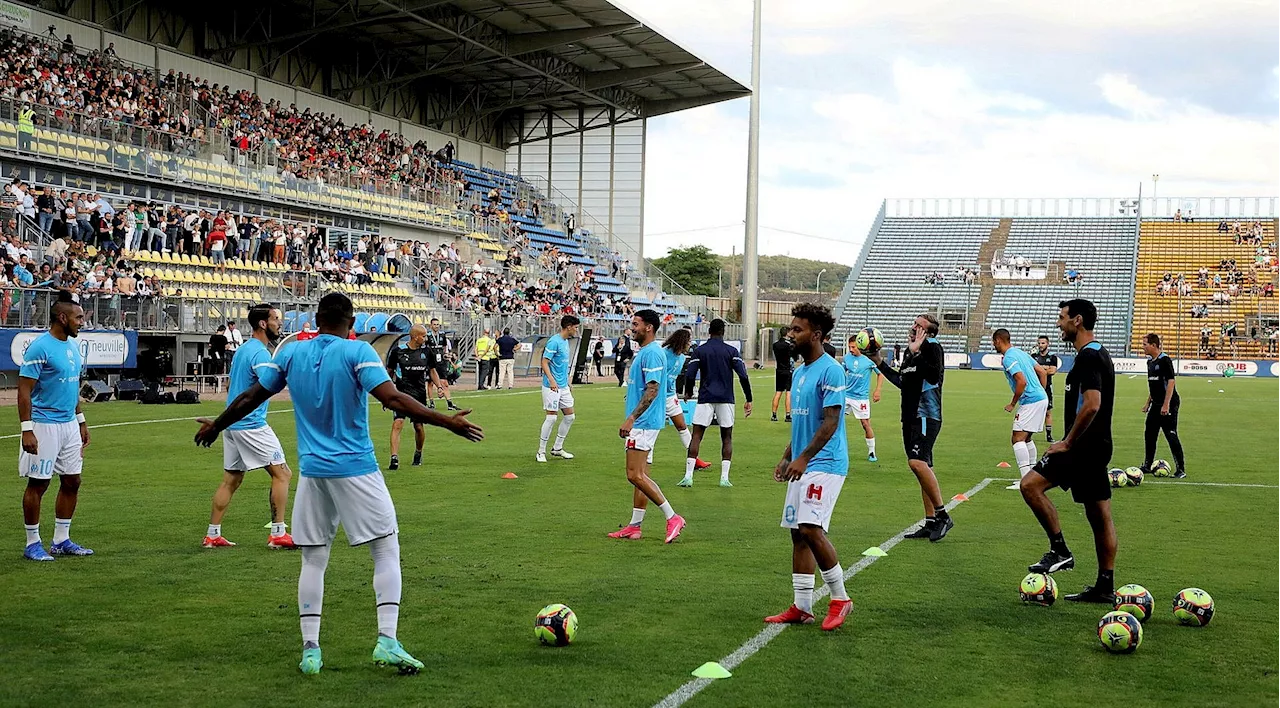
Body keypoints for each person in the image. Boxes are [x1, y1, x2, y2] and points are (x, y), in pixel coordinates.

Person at [195, 292, 484, 675]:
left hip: (314, 472)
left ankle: (311, 650)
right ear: (351, 323)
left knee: (314, 559)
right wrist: (448, 421)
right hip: (355, 467)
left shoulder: (290, 354)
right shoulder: (357, 353)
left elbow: (252, 395)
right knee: (385, 549)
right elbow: (394, 398)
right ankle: (387, 641)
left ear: (317, 319)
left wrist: (218, 424)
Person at [1021, 299, 1118, 603]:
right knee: (1099, 515)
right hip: (1097, 445)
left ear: (1077, 320)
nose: (1058, 323)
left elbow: (1092, 404)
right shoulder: (1096, 354)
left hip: (1082, 448)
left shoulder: (1089, 357)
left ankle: (1059, 550)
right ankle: (1105, 585)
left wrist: (1068, 441)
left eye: (1061, 318)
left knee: (1030, 485)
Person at [764, 303, 852, 631]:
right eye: (791, 328)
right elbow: (802, 425)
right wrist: (788, 455)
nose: (791, 334)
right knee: (797, 534)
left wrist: (803, 458)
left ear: (815, 335)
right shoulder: (800, 372)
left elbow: (831, 422)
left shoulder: (831, 369)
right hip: (803, 463)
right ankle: (802, 606)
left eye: (797, 330)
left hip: (826, 463)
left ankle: (840, 598)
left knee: (811, 529)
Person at [203, 305, 296, 549]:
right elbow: (269, 384)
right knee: (282, 474)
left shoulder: (244, 350)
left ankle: (212, 535)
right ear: (263, 324)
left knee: (231, 479)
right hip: (251, 424)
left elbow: (235, 385)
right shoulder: (261, 354)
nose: (280, 323)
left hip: (233, 426)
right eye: (276, 319)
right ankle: (278, 533)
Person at [19, 292, 93, 561]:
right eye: (78, 317)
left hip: (69, 425)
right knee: (39, 483)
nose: (82, 322)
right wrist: (27, 428)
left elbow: (71, 389)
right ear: (62, 318)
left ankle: (61, 540)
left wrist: (81, 421)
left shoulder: (72, 347)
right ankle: (32, 542)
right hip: (43, 424)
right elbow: (24, 390)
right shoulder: (41, 347)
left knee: (72, 481)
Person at [869, 313, 953, 542]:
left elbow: (935, 376)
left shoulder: (933, 347)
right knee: (922, 467)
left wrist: (917, 351)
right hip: (910, 416)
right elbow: (902, 382)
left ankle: (943, 515)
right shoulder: (910, 350)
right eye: (914, 323)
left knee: (917, 463)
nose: (914, 327)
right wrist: (879, 363)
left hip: (926, 415)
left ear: (929, 333)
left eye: (920, 326)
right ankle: (930, 521)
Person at [607, 309, 685, 543]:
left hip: (643, 423)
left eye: (636, 324)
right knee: (642, 475)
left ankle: (673, 517)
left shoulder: (652, 353)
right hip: (646, 422)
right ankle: (635, 526)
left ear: (648, 327)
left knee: (634, 474)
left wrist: (631, 418)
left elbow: (653, 389)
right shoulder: (647, 352)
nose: (632, 328)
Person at [680, 318, 753, 487]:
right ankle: (724, 478)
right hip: (726, 398)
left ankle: (689, 476)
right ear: (723, 332)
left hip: (706, 396)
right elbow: (743, 375)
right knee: (726, 437)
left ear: (709, 331)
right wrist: (748, 398)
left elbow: (690, 374)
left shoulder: (700, 351)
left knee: (697, 435)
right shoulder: (731, 351)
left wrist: (689, 392)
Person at [992, 329, 1049, 490]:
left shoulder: (1009, 357)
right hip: (1040, 398)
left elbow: (1021, 382)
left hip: (1031, 400)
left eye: (993, 341)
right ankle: (1032, 476)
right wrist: (1041, 393)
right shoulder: (1021, 353)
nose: (993, 345)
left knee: (1017, 438)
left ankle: (1026, 480)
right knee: (1027, 438)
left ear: (998, 340)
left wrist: (1012, 403)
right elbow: (1043, 372)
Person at [655, 328, 708, 470]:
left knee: (682, 427)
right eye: (689, 341)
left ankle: (695, 460)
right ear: (682, 341)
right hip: (657, 398)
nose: (690, 344)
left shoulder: (682, 358)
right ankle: (644, 458)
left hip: (670, 397)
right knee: (653, 430)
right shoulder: (663, 354)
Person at [385, 325, 432, 470]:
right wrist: (386, 393)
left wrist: (440, 386)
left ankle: (418, 452)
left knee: (418, 426)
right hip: (400, 394)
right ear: (415, 336)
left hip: (419, 395)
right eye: (423, 336)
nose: (425, 338)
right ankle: (394, 458)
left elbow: (433, 371)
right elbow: (389, 371)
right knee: (397, 423)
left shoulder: (426, 352)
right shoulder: (397, 352)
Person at [1140, 333, 1186, 478]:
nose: (1143, 347)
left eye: (1145, 344)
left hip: (1169, 403)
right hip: (1156, 403)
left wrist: (1166, 405)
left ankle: (1181, 469)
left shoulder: (1165, 360)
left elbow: (1171, 382)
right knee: (1150, 433)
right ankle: (1147, 464)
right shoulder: (1150, 362)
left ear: (1153, 345)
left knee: (1170, 434)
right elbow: (1153, 385)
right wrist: (1148, 403)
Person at [537, 315, 580, 463]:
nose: (576, 330)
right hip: (552, 386)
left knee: (570, 416)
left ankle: (557, 448)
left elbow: (563, 365)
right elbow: (544, 362)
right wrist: (551, 380)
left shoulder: (565, 342)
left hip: (563, 386)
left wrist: (567, 381)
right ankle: (541, 451)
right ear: (568, 327)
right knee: (551, 417)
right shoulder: (554, 341)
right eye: (575, 327)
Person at [842, 334, 882, 462]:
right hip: (846, 395)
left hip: (860, 398)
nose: (851, 349)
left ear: (859, 346)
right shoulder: (847, 358)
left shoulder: (869, 359)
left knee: (865, 424)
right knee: (832, 420)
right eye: (849, 347)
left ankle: (871, 452)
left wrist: (877, 390)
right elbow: (842, 374)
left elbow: (880, 374)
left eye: (853, 347)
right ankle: (831, 449)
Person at [423, 318, 458, 410]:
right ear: (431, 325)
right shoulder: (427, 336)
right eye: (434, 324)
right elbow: (424, 347)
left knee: (444, 382)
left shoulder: (442, 335)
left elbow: (445, 345)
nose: (436, 326)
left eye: (438, 324)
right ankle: (431, 403)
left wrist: (446, 353)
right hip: (431, 361)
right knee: (430, 383)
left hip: (441, 360)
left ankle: (449, 403)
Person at [1031, 336, 1060, 443]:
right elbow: (1031, 370)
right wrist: (1045, 368)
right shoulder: (1033, 357)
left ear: (1047, 344)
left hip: (1047, 388)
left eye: (1043, 343)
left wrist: (1039, 369)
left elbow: (1052, 371)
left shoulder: (1053, 358)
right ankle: (1029, 433)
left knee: (1048, 412)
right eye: (1039, 343)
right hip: (1034, 387)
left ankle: (1048, 436)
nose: (1040, 345)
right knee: (1033, 411)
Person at [772, 334, 797, 422]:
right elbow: (794, 356)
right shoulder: (788, 345)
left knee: (778, 392)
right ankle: (787, 415)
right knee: (788, 392)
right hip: (787, 370)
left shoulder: (775, 345)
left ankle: (774, 414)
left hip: (779, 369)